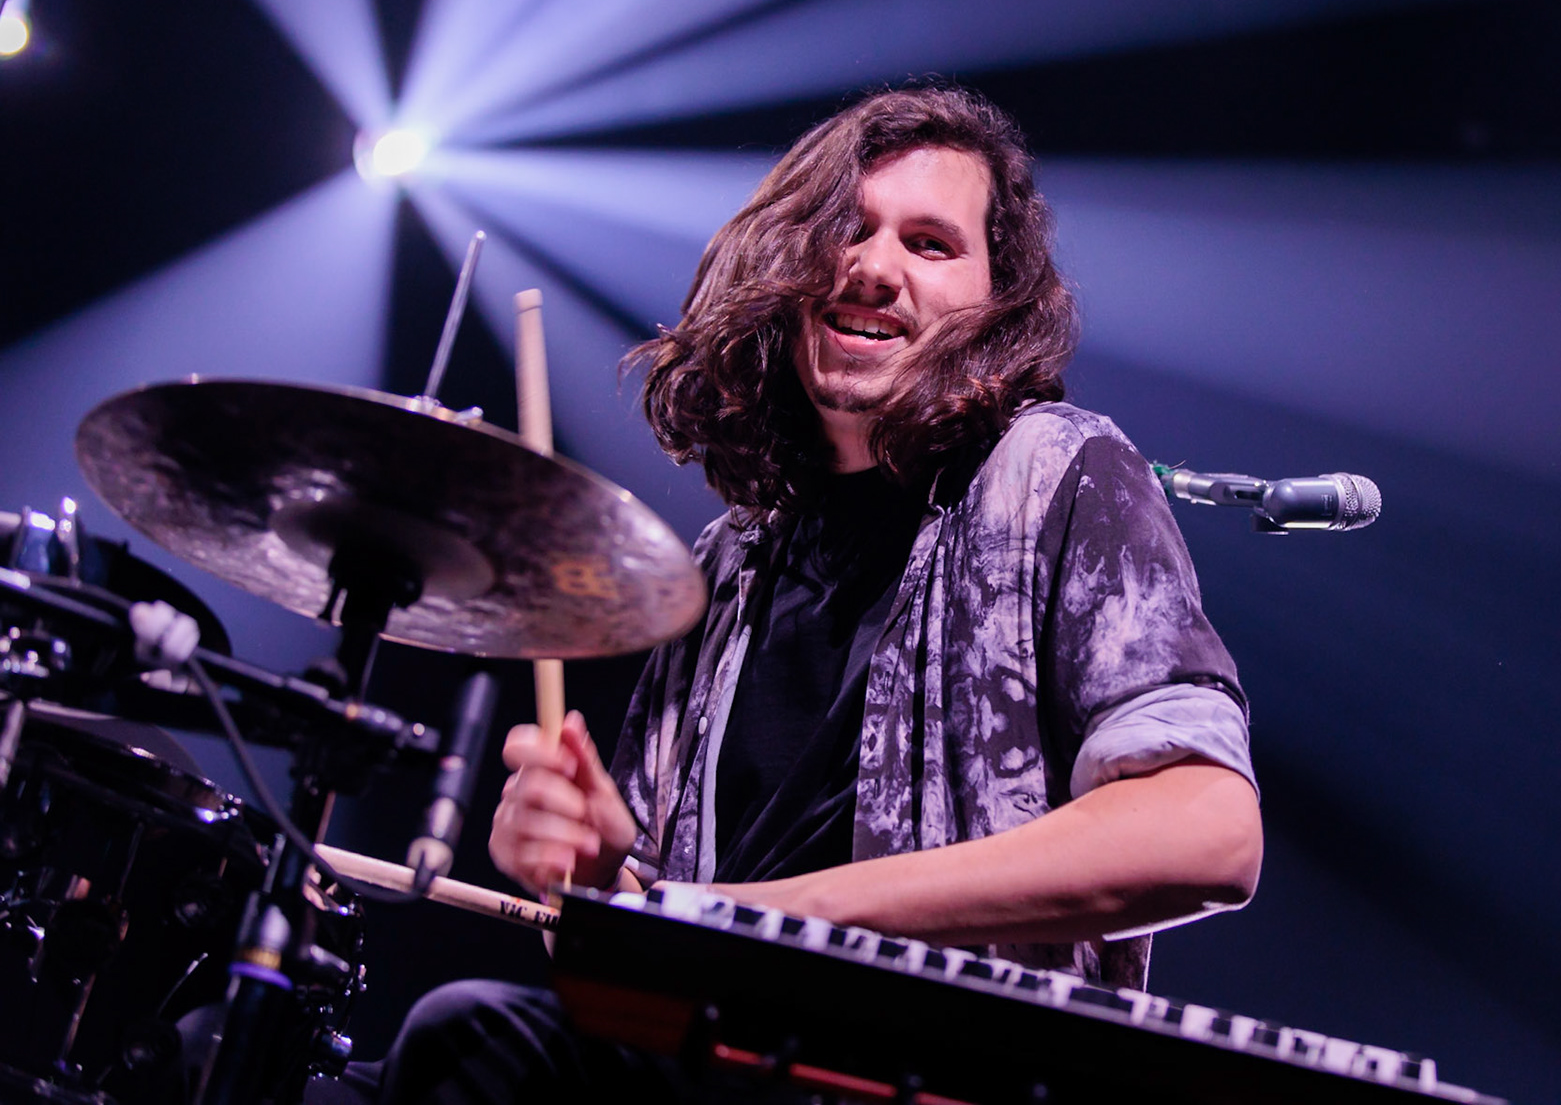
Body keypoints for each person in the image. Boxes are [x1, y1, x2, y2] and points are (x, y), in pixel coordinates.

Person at [344, 86, 1262, 1103]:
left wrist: (783, 923)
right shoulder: (729, 565)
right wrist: (599, 876)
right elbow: (652, 944)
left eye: (930, 244)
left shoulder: (1055, 468)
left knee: (472, 1039)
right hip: (728, 1061)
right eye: (847, 229)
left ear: (997, 301)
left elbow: (1208, 831)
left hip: (946, 1073)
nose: (874, 266)